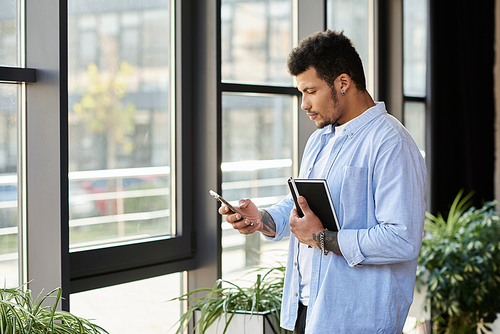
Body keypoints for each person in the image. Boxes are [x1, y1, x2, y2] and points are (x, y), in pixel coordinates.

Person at [219, 30, 427, 334]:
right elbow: (303, 204)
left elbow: (402, 239)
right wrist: (261, 220)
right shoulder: (319, 140)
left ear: (343, 83)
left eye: (311, 91)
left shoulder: (391, 143)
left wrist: (322, 239)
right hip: (310, 311)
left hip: (358, 322)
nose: (304, 104)